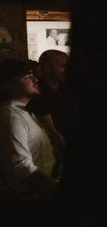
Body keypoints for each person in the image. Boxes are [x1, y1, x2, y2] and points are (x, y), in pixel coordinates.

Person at [2, 59, 58, 197]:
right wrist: (56, 189)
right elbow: (21, 167)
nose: (36, 80)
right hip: (29, 196)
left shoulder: (23, 111)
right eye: (28, 77)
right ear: (9, 85)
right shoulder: (11, 116)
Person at [28, 49, 70, 175]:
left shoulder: (64, 89)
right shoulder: (39, 94)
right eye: (62, 66)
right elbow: (52, 133)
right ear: (47, 68)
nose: (67, 70)